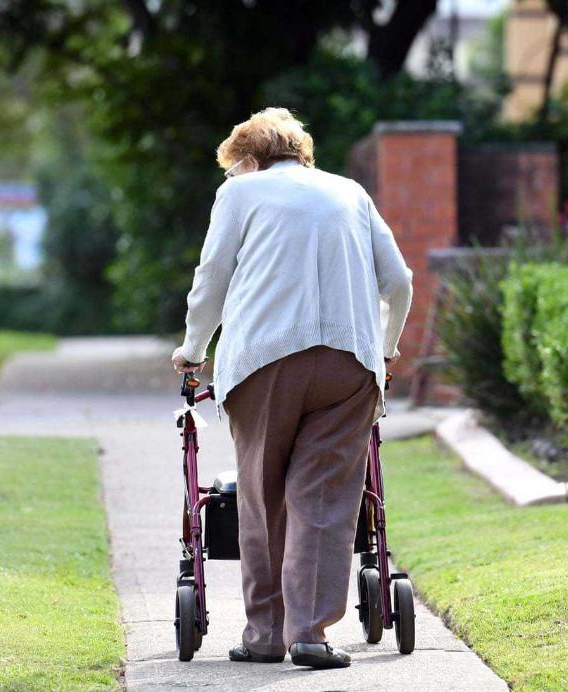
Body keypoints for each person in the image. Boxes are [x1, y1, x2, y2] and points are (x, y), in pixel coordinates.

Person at [171, 107, 413, 669]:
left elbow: (212, 280)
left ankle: (264, 635)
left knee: (263, 496)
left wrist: (192, 350)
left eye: (235, 167)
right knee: (325, 500)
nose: (232, 177)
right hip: (350, 362)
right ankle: (311, 634)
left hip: (262, 361)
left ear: (251, 160)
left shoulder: (241, 194)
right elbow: (398, 280)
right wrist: (386, 346)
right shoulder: (351, 192)